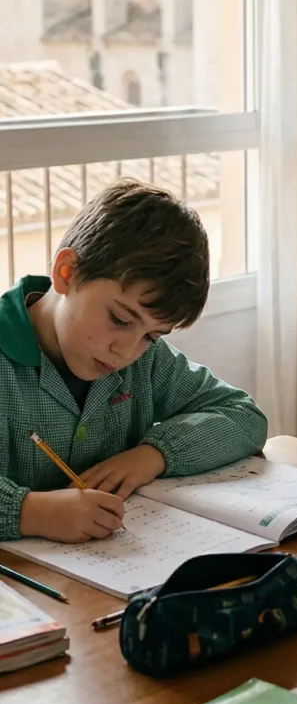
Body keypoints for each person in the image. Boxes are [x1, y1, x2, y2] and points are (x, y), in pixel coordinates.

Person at [0, 179, 268, 543]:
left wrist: (153, 455)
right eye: (120, 320)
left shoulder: (147, 362)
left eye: (152, 335)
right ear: (67, 273)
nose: (126, 353)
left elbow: (243, 416)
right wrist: (28, 512)